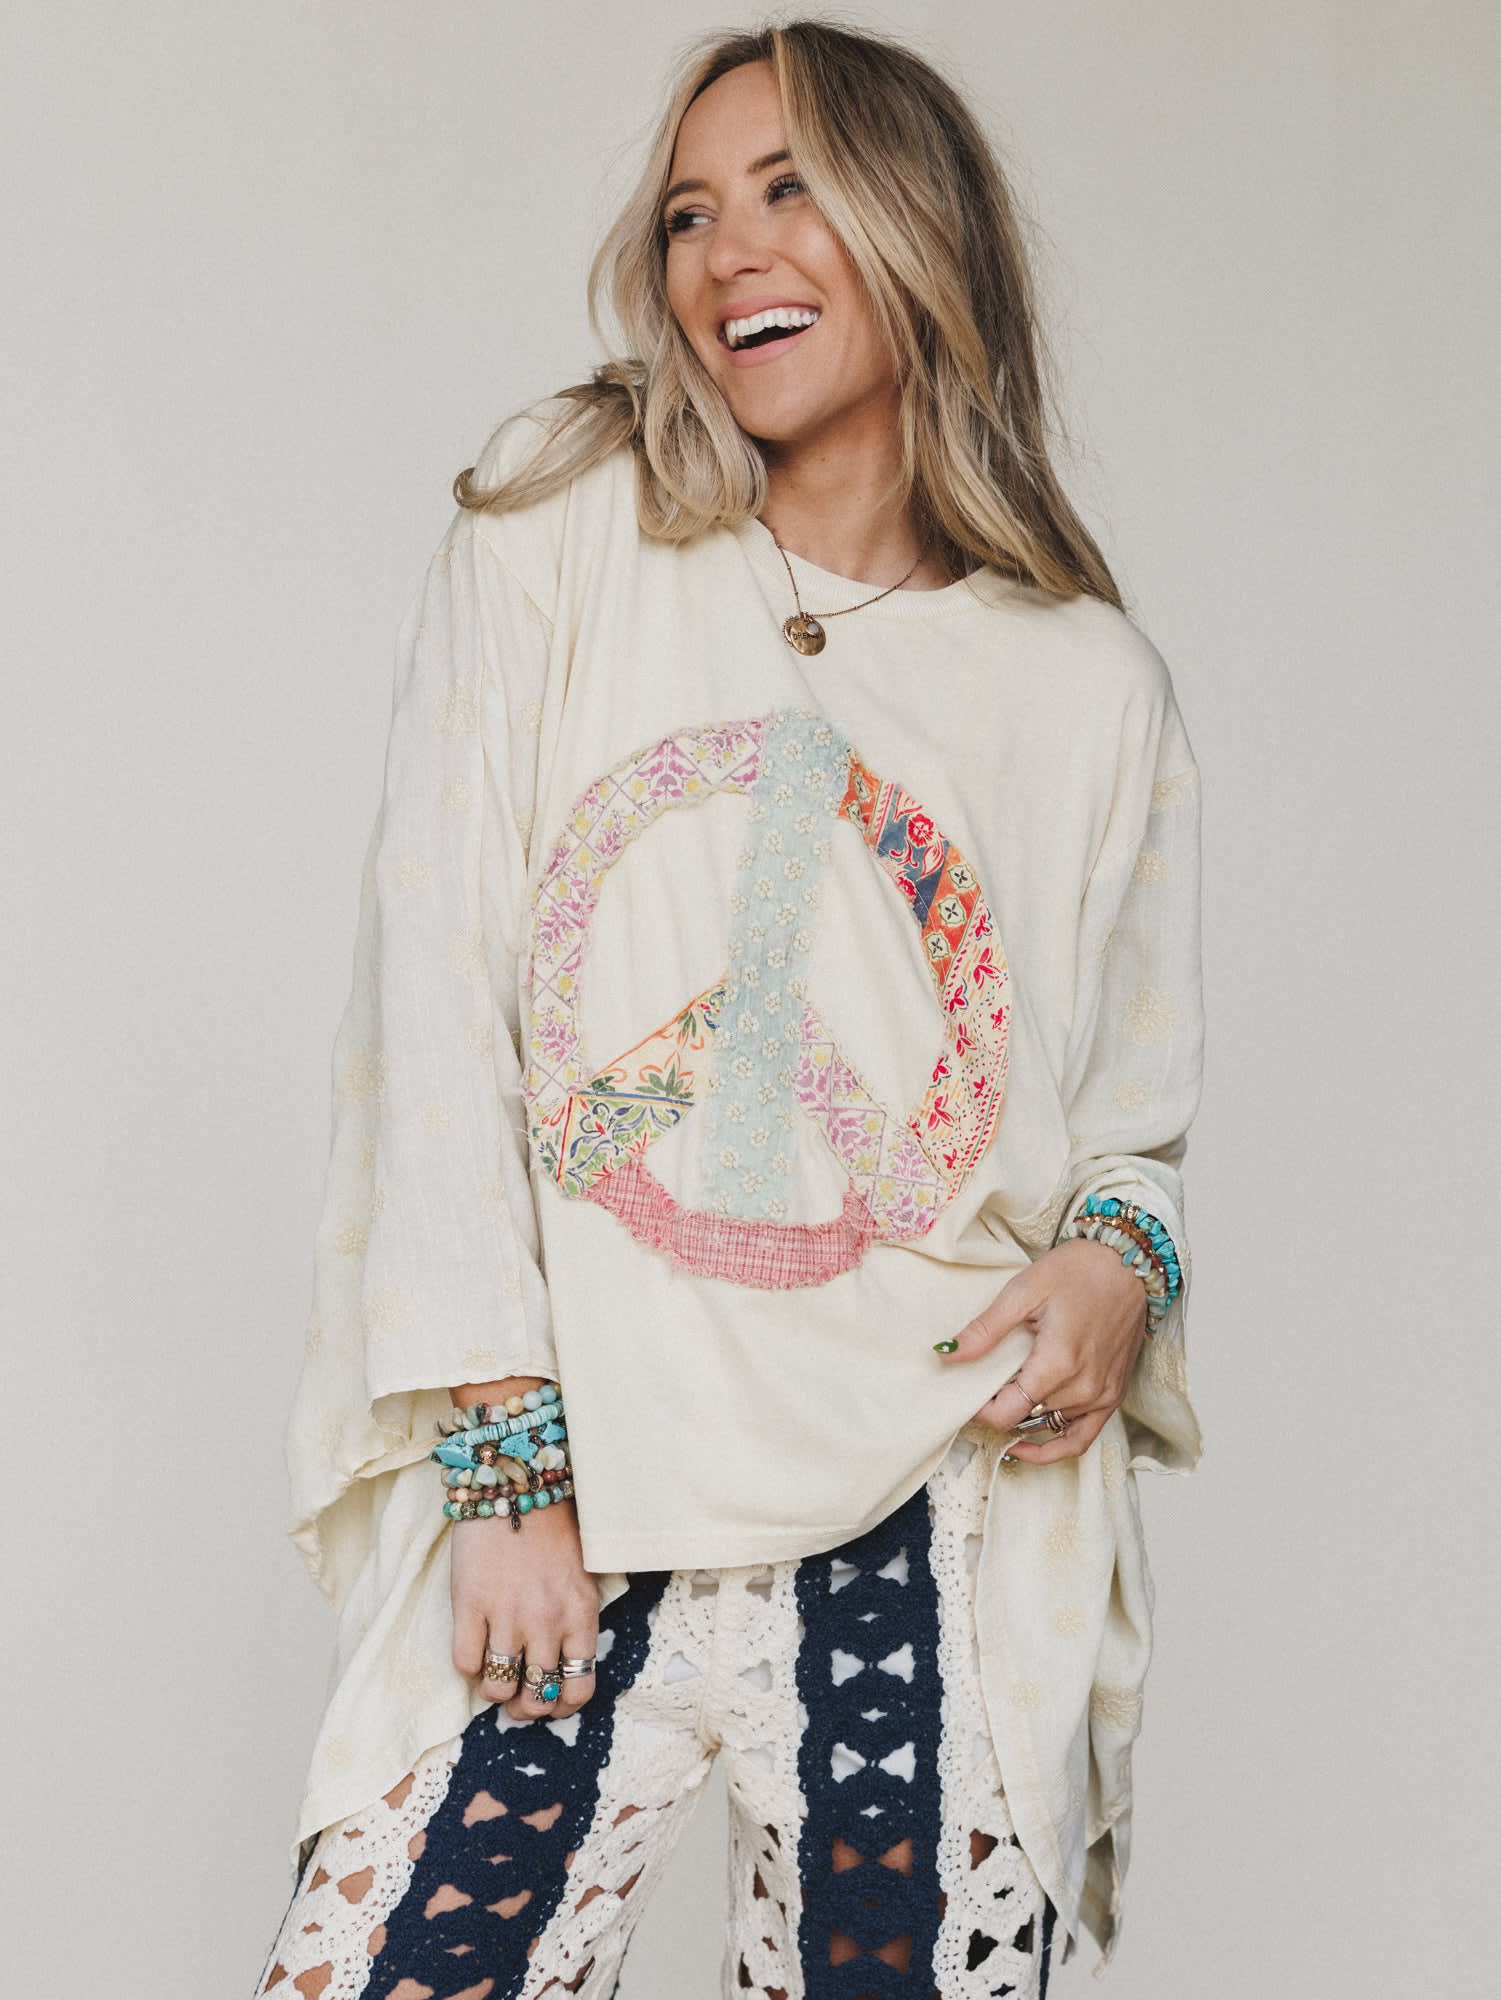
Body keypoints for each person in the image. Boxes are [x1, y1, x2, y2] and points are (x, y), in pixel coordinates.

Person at [253, 17, 1206, 1997]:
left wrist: (1118, 1265)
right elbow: (436, 992)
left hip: (937, 1505)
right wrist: (505, 1467)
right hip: (576, 1487)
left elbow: (1129, 1132)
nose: (727, 251)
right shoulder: (563, 522)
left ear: (916, 227)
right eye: (688, 212)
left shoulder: (1087, 682)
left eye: (789, 189)